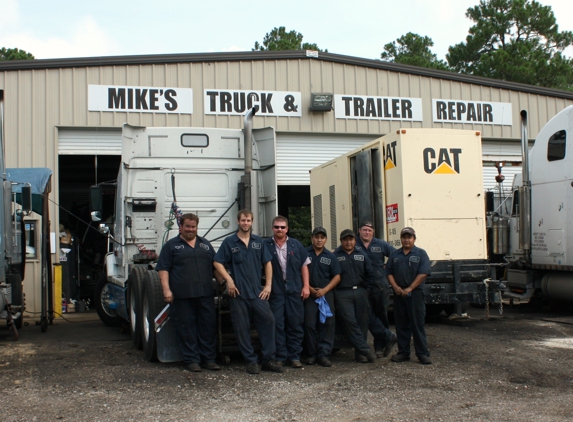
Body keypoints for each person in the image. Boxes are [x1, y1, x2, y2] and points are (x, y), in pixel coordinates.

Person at [213, 209, 283, 374]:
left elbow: (267, 263)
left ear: (252, 223)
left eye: (248, 221)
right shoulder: (229, 242)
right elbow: (217, 262)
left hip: (257, 292)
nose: (246, 223)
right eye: (243, 220)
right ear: (238, 221)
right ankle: (251, 361)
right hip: (238, 294)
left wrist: (268, 286)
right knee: (241, 327)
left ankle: (268, 360)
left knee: (269, 320)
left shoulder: (259, 241)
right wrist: (229, 281)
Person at [156, 213, 221, 372]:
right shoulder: (171, 246)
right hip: (181, 296)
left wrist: (224, 283)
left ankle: (209, 359)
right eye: (188, 226)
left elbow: (215, 267)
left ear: (197, 227)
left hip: (205, 295)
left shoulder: (205, 245)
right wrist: (166, 290)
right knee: (187, 328)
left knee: (208, 327)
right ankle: (192, 360)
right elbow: (163, 269)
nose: (191, 229)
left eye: (193, 227)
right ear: (181, 227)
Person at [264, 216, 310, 369]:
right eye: (277, 227)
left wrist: (306, 286)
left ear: (287, 229)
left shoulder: (296, 245)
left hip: (295, 290)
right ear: (272, 228)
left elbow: (304, 265)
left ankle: (295, 356)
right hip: (276, 292)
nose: (280, 230)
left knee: (295, 324)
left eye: (283, 227)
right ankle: (280, 357)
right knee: (277, 324)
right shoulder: (266, 245)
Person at [386, 227, 432, 365]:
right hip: (399, 295)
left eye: (409, 237)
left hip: (415, 295)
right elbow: (389, 272)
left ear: (414, 239)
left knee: (417, 325)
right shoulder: (395, 255)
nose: (406, 240)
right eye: (404, 237)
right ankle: (403, 353)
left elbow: (423, 273)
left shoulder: (421, 254)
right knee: (401, 325)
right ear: (401, 239)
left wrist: (410, 288)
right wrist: (396, 287)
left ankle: (422, 354)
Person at [333, 229, 377, 363]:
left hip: (360, 292)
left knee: (362, 323)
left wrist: (366, 291)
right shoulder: (335, 256)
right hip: (342, 293)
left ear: (354, 240)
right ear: (341, 241)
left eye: (351, 239)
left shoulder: (362, 255)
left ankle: (360, 354)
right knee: (350, 321)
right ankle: (366, 349)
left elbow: (370, 274)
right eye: (345, 239)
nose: (348, 242)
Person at [355, 221, 397, 358]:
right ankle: (388, 336)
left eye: (369, 230)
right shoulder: (353, 243)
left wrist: (387, 268)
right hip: (363, 286)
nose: (367, 232)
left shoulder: (381, 244)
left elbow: (396, 256)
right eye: (364, 230)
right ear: (359, 230)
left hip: (380, 286)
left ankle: (379, 347)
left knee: (381, 315)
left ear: (373, 232)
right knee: (366, 315)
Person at [304, 227, 341, 367]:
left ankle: (324, 355)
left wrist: (325, 290)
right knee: (309, 324)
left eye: (322, 237)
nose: (319, 240)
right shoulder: (304, 254)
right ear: (312, 238)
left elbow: (337, 276)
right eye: (316, 237)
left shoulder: (331, 256)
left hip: (326, 294)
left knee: (328, 324)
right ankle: (312, 354)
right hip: (309, 294)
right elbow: (299, 272)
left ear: (325, 239)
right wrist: (310, 289)